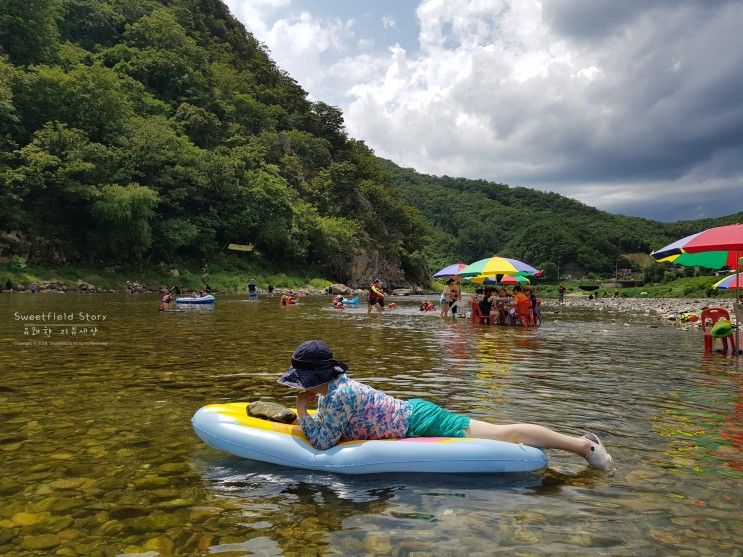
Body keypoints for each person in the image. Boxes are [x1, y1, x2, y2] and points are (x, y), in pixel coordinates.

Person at [279, 340, 614, 469]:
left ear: (314, 379)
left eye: (301, 381)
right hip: (412, 411)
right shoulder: (333, 389)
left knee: (506, 433)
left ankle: (585, 447)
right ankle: (582, 444)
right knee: (501, 431)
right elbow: (330, 427)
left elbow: (323, 442)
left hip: (420, 421)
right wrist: (309, 410)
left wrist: (302, 411)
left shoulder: (338, 395)